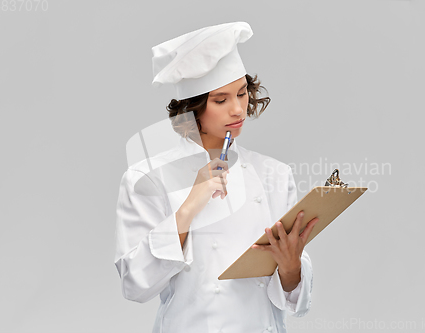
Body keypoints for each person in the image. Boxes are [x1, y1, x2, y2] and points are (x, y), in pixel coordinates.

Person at [114, 22, 319, 333]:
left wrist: (292, 267)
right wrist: (188, 208)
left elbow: (296, 301)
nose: (238, 110)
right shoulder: (147, 178)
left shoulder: (275, 174)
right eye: (221, 100)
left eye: (242, 93)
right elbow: (135, 284)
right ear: (193, 109)